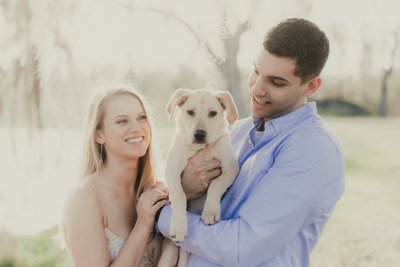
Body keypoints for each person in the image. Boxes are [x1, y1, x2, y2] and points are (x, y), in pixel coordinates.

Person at [157, 18, 345, 266]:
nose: (257, 89)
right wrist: (185, 188)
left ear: (311, 86)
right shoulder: (236, 131)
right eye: (256, 71)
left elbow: (242, 247)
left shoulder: (313, 150)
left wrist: (163, 214)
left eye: (276, 82)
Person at [62, 81, 169, 266]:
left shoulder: (155, 188)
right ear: (99, 135)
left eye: (142, 117)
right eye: (122, 121)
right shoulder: (85, 197)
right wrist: (142, 226)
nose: (137, 127)